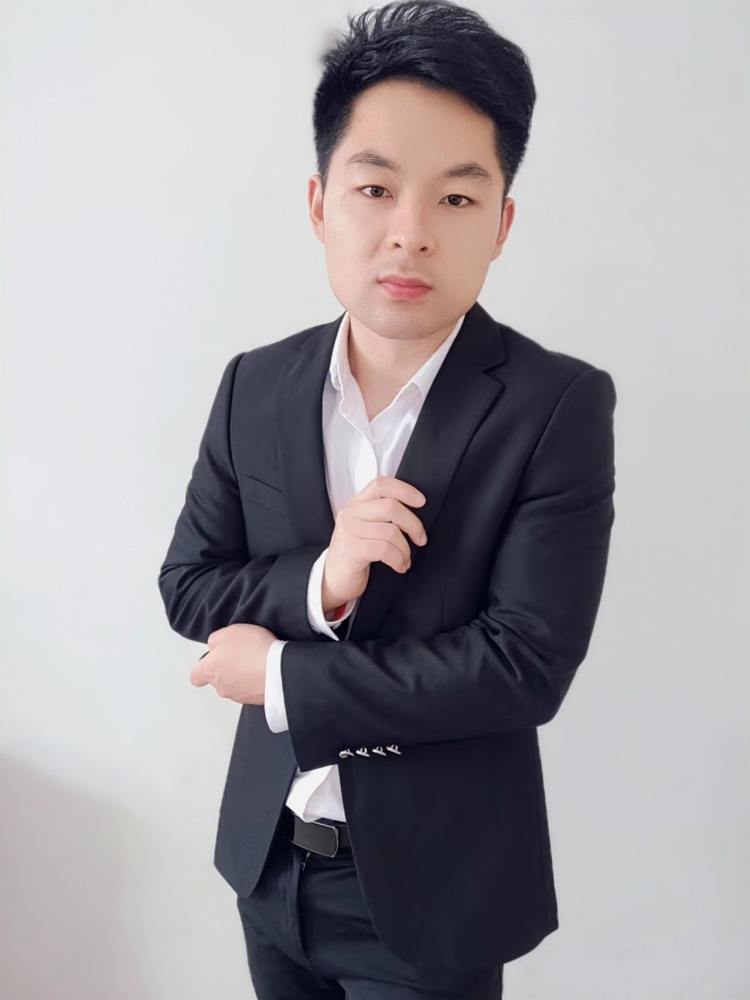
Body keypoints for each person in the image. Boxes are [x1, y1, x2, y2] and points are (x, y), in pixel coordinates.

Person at [158, 1, 617, 996]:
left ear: (501, 223)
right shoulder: (254, 383)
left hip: (434, 892)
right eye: (375, 188)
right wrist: (322, 578)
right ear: (321, 202)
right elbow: (190, 583)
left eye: (455, 198)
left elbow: (522, 666)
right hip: (268, 864)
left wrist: (284, 675)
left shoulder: (556, 405)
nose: (410, 234)